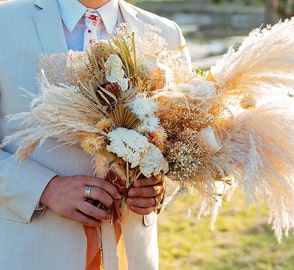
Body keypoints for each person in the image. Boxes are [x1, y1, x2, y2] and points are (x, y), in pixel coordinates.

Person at [0, 0, 190, 269]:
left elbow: (181, 142)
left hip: (132, 255)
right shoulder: (3, 23)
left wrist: (159, 188)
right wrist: (45, 188)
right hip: (34, 251)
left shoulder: (166, 33)